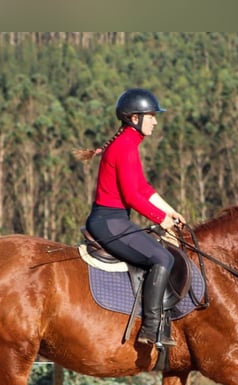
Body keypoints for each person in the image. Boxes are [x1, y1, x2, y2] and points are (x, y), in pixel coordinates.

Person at [74, 88, 187, 347]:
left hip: (115, 220)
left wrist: (170, 211)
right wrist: (162, 219)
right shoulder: (124, 147)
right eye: (151, 116)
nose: (155, 121)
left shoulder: (128, 144)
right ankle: (151, 327)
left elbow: (143, 188)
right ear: (134, 118)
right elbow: (132, 197)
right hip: (109, 222)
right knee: (162, 257)